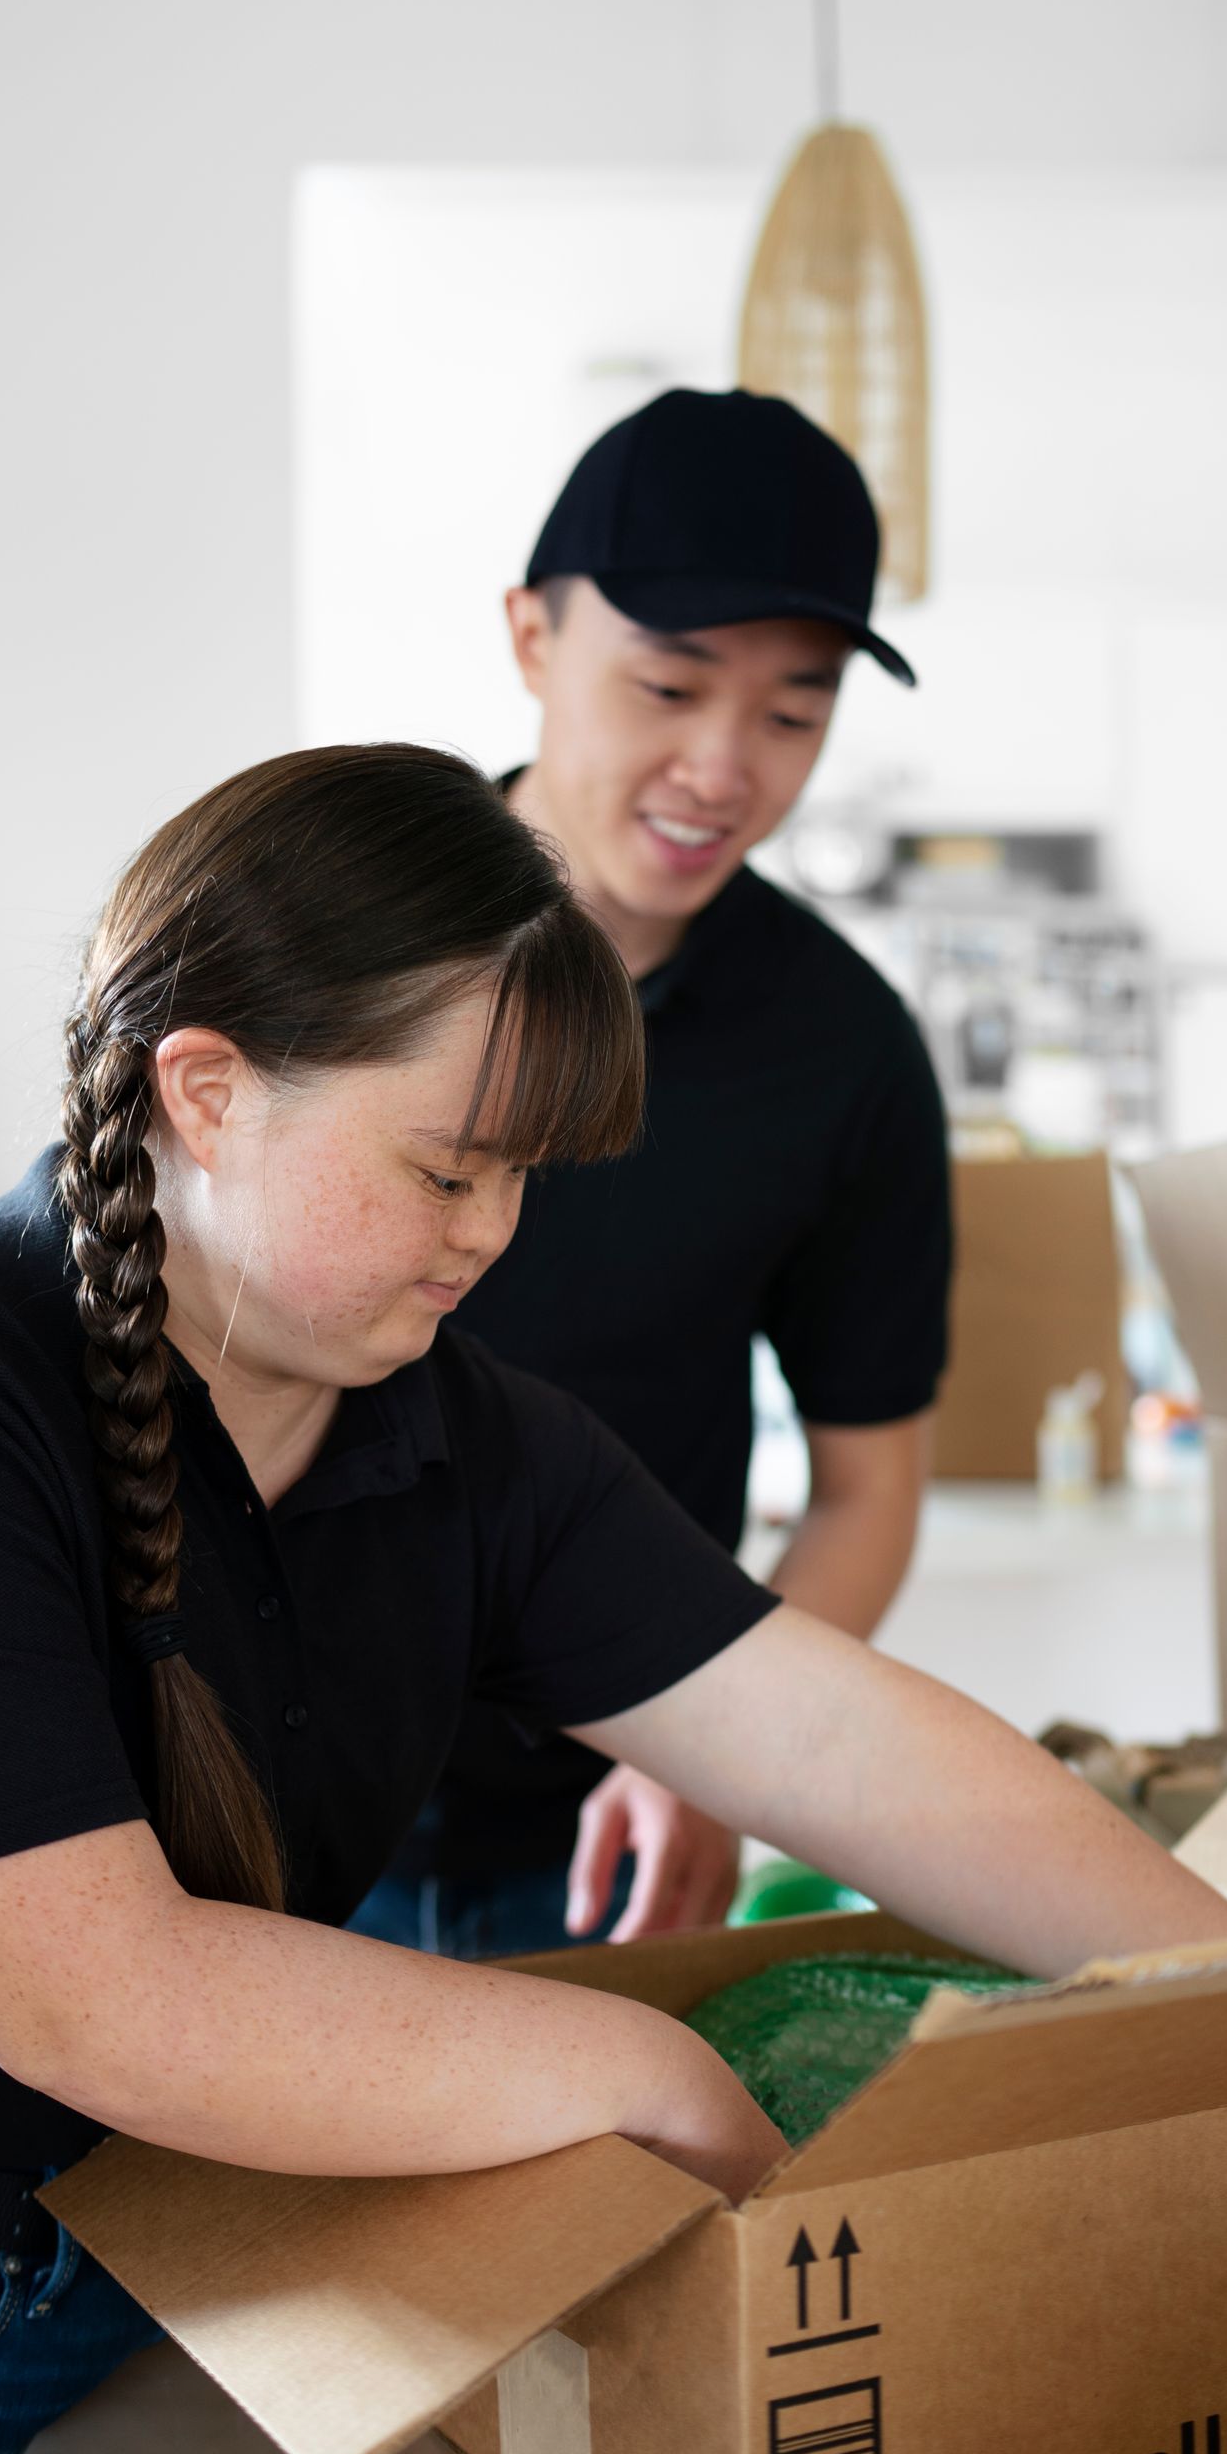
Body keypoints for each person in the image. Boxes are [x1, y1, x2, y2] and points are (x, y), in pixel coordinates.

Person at [0, 745, 1227, 2454]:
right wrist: (653, 2069)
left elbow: (831, 1737)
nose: (493, 1230)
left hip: (182, 2244)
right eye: (443, 1164)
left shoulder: (457, 1437)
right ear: (208, 1090)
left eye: (518, 1177)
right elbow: (108, 1996)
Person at [353, 389, 953, 1959]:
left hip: (597, 1853)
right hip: (241, 1806)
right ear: (533, 639)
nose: (721, 768)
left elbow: (869, 1489)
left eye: (791, 712)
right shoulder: (329, 938)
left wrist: (719, 1747)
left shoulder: (844, 1045)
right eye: (671, 685)